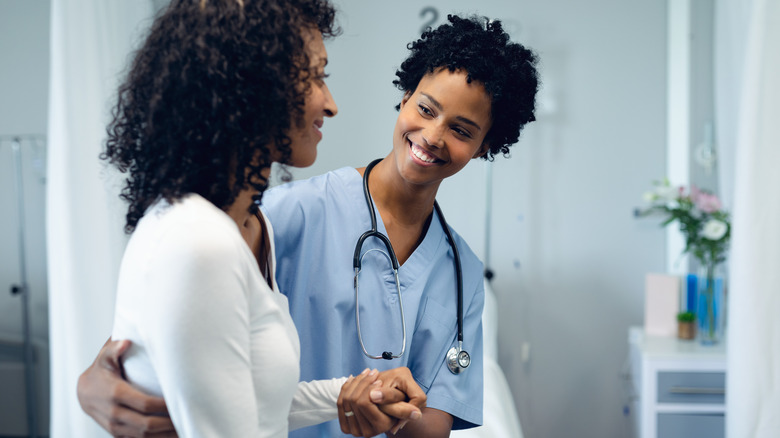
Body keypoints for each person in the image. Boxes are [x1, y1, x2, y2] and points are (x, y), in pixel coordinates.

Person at [78, 13, 540, 438]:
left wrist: (382, 404)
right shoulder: (287, 213)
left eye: (461, 130)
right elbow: (172, 317)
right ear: (404, 97)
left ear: (484, 146)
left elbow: (435, 419)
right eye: (425, 108)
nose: (434, 136)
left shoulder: (461, 276)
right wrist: (92, 383)